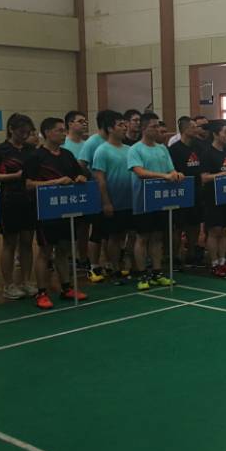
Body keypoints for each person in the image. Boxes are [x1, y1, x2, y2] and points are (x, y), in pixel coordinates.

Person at [24, 117, 89, 309]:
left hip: (67, 209)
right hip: (46, 211)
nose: (63, 134)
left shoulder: (67, 155)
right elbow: (28, 184)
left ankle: (66, 287)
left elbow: (80, 174)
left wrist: (81, 177)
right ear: (47, 132)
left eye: (63, 130)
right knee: (45, 252)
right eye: (59, 130)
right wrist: (55, 182)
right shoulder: (36, 157)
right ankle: (42, 292)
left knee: (64, 249)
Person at [128, 111, 182, 291]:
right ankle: (142, 274)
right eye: (154, 126)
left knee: (158, 237)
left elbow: (170, 169)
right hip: (142, 201)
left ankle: (157, 272)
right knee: (142, 237)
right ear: (144, 128)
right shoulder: (135, 149)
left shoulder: (162, 149)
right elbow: (139, 172)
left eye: (158, 125)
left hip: (161, 200)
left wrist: (176, 174)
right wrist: (164, 176)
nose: (158, 129)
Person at [0, 113, 37, 300]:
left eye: (28, 132)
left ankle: (26, 281)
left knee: (27, 242)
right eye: (22, 131)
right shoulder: (0, 150)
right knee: (10, 242)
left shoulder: (31, 149)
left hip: (30, 200)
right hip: (9, 200)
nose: (25, 135)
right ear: (11, 129)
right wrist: (13, 176)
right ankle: (9, 285)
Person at [91, 110, 133, 284]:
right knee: (113, 237)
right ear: (110, 128)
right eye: (120, 125)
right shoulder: (102, 151)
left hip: (130, 201)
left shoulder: (130, 149)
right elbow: (100, 179)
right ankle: (114, 268)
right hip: (113, 202)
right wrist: (106, 202)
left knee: (126, 235)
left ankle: (125, 265)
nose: (125, 128)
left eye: (125, 124)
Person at [200, 121, 226, 277]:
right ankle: (214, 263)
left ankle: (223, 261)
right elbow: (204, 178)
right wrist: (225, 174)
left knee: (224, 231)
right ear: (215, 134)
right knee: (214, 230)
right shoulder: (207, 153)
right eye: (224, 132)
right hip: (212, 197)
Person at [168, 117, 206, 269]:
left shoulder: (200, 147)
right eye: (193, 127)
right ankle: (176, 256)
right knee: (178, 227)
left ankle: (191, 254)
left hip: (197, 191)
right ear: (184, 129)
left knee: (194, 225)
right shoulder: (174, 149)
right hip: (179, 191)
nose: (197, 129)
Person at [62, 110, 91, 272]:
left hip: (85, 190)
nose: (84, 124)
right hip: (67, 191)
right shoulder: (63, 145)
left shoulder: (88, 144)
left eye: (85, 121)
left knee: (84, 227)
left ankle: (83, 258)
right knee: (67, 228)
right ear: (70, 124)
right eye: (80, 121)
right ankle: (65, 257)